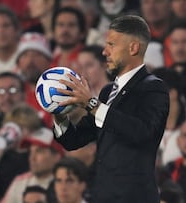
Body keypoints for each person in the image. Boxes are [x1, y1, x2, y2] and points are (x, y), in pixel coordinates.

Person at [53, 15, 169, 203]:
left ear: (133, 48)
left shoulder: (153, 88)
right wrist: (59, 114)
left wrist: (92, 104)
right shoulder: (108, 92)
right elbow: (74, 140)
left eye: (111, 45)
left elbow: (143, 132)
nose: (105, 52)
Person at [2, 127, 64, 203]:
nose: (32, 158)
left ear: (57, 156)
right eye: (31, 151)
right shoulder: (19, 182)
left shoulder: (66, 185)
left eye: (39, 151)